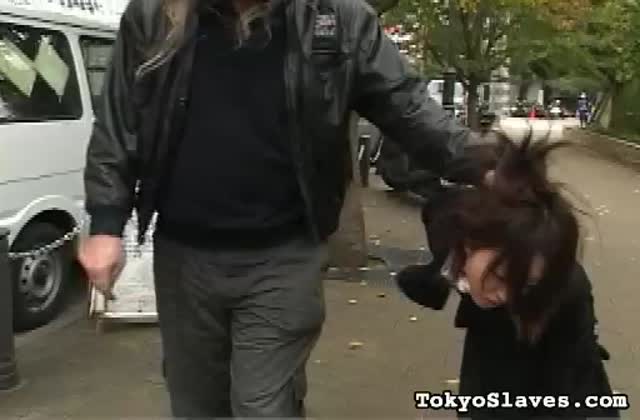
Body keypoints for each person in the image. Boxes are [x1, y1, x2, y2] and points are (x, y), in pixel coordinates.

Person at [77, 0, 490, 417]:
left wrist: (494, 167)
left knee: (263, 407)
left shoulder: (339, 20)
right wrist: (106, 225)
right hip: (183, 260)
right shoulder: (153, 15)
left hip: (283, 257)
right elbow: (118, 123)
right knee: (195, 403)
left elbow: (410, 108)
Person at [396, 133, 620, 419]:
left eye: (527, 284)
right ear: (469, 241)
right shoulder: (453, 225)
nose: (505, 295)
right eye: (500, 277)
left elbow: (576, 383)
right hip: (486, 359)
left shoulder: (567, 290)